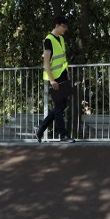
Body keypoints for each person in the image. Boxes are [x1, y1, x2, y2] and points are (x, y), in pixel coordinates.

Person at [35, 15, 74, 143]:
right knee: (59, 105)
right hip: (55, 78)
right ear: (56, 25)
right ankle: (63, 135)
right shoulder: (48, 40)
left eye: (66, 27)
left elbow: (62, 59)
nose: (65, 29)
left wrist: (66, 74)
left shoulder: (61, 39)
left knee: (62, 105)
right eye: (63, 26)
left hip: (62, 76)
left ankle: (40, 129)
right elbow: (46, 62)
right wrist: (52, 80)